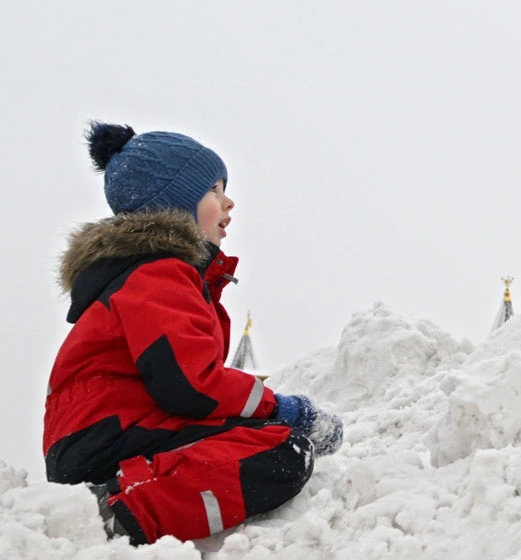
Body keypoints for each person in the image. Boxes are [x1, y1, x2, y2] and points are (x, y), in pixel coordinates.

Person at [44, 122, 343, 544]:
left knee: (257, 442)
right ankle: (117, 514)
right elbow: (190, 384)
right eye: (216, 190)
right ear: (175, 204)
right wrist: (283, 410)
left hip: (108, 437)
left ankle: (126, 496)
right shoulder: (158, 276)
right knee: (282, 452)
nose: (229, 202)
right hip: (108, 439)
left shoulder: (155, 278)